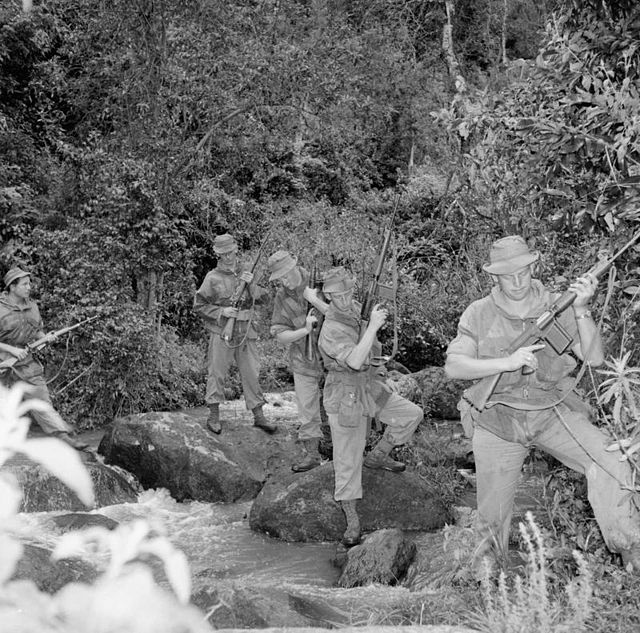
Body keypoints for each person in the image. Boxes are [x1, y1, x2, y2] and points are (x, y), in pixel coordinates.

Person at [444, 235, 640, 573]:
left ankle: (631, 552)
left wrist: (581, 310)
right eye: (508, 275)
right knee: (491, 520)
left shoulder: (556, 305)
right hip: (498, 419)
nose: (518, 281)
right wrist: (504, 363)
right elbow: (454, 366)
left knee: (613, 462)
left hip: (551, 412)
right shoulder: (478, 313)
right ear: (494, 276)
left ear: (534, 266)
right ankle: (485, 588)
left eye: (523, 271)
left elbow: (593, 359)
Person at [318, 266, 423, 547]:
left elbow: (373, 353)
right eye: (338, 295)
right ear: (327, 296)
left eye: (349, 291)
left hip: (369, 386)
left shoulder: (357, 311)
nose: (346, 298)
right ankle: (351, 514)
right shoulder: (330, 328)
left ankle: (378, 456)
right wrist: (373, 325)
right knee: (347, 458)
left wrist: (383, 376)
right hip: (344, 395)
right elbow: (353, 360)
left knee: (411, 415)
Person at [0, 267, 91, 453]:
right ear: (12, 287)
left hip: (26, 365)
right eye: (24, 284)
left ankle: (64, 437)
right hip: (2, 364)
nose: (29, 287)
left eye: (29, 283)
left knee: (42, 403)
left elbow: (36, 332)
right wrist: (12, 350)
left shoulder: (32, 306)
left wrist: (45, 338)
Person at [194, 233, 275, 434]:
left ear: (236, 249)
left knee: (251, 373)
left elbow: (265, 299)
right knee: (217, 372)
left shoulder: (248, 272)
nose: (228, 256)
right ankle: (213, 414)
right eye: (223, 253)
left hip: (247, 331)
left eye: (230, 252)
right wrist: (222, 312)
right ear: (217, 254)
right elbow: (199, 305)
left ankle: (258, 416)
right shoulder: (212, 278)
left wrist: (251, 285)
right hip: (221, 330)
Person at [268, 250, 329, 472]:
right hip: (302, 358)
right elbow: (280, 335)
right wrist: (304, 330)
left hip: (334, 355)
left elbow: (343, 314)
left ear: (295, 266)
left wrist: (315, 301)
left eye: (286, 274)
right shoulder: (281, 297)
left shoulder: (321, 283)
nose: (284, 280)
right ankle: (312, 454)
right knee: (306, 408)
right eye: (279, 277)